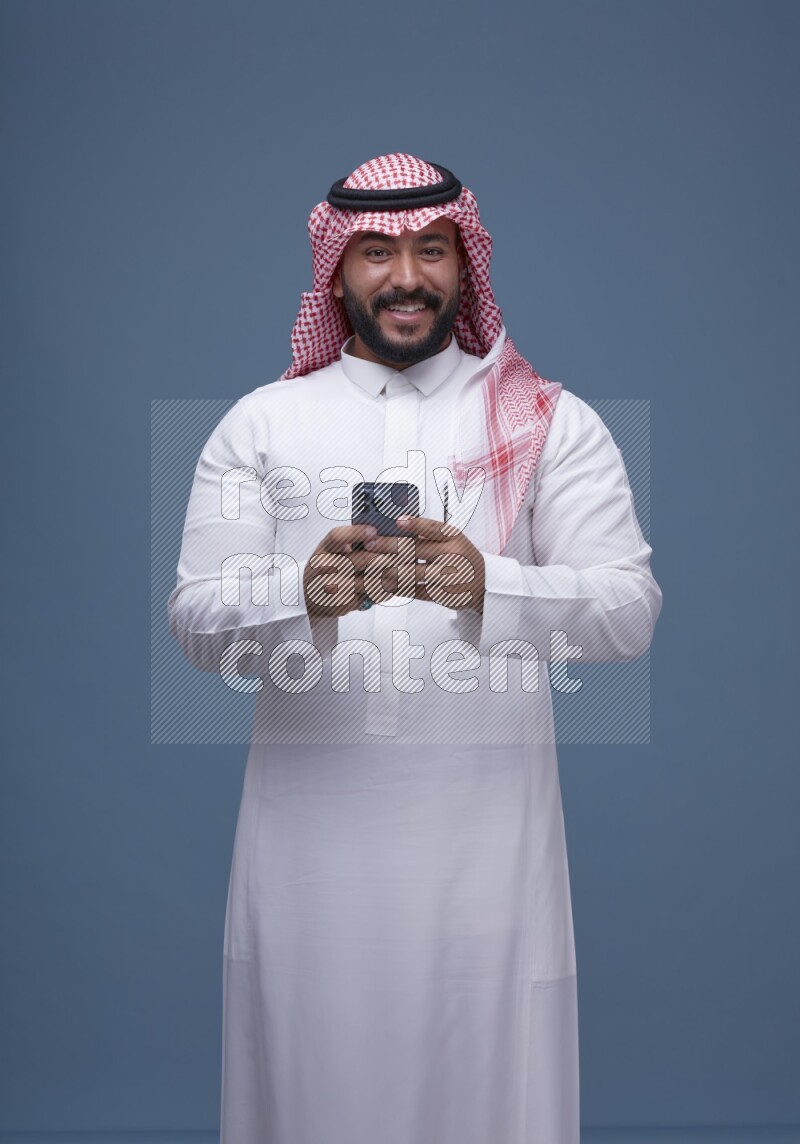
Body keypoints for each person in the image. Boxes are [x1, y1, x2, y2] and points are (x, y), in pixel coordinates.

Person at [168, 153, 662, 1143]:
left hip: (488, 856)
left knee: (486, 1090)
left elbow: (627, 612)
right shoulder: (261, 424)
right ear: (333, 272)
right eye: (376, 253)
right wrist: (300, 595)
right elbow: (195, 624)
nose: (406, 277)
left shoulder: (548, 422)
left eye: (431, 250)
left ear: (465, 263)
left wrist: (491, 585)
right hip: (309, 860)